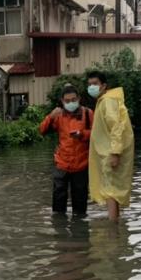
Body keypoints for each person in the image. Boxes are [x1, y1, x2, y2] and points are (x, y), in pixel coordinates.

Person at [40, 84, 94, 217]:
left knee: (80, 204)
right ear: (62, 101)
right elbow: (42, 131)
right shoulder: (58, 115)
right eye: (67, 101)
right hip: (62, 163)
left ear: (79, 99)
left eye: (73, 99)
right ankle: (59, 229)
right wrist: (50, 116)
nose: (71, 103)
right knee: (58, 202)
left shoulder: (88, 113)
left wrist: (82, 134)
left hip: (82, 164)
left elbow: (97, 134)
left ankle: (79, 232)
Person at [87, 71, 134, 222]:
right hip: (107, 150)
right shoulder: (106, 100)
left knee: (110, 190)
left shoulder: (108, 101)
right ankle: (116, 221)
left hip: (109, 151)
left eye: (95, 84)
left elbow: (116, 126)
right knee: (112, 188)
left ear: (104, 85)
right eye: (89, 84)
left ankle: (112, 227)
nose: (91, 87)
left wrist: (115, 152)